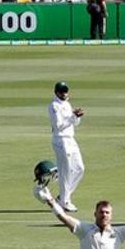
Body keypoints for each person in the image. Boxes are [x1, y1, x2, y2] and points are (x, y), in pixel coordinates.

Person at [48, 81, 85, 211]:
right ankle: (64, 201)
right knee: (65, 170)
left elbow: (74, 124)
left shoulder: (67, 104)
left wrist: (76, 117)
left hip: (71, 139)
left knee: (80, 168)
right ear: (56, 92)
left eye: (65, 91)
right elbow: (58, 126)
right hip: (61, 140)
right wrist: (72, 117)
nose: (64, 94)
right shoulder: (54, 106)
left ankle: (63, 197)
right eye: (61, 91)